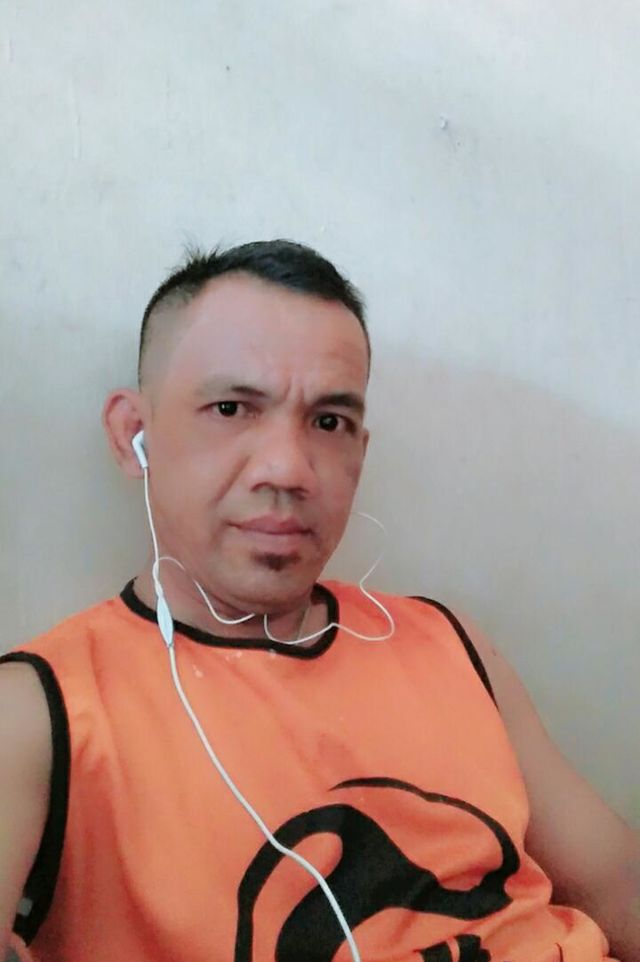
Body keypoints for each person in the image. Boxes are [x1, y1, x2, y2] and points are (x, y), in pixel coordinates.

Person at [0, 240, 637, 962]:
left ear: (360, 450)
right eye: (231, 408)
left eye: (329, 422)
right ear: (133, 436)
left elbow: (618, 883)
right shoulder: (42, 713)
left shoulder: (444, 642)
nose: (288, 469)